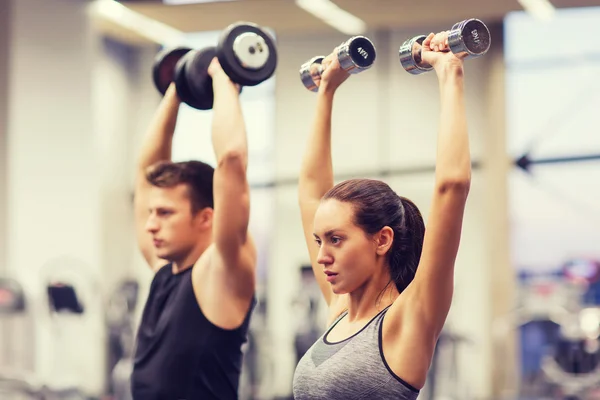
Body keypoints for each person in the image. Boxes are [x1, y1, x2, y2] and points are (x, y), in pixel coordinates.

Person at [292, 30, 472, 399]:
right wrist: (326, 90)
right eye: (319, 240)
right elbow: (311, 191)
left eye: (336, 240)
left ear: (382, 239)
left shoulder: (408, 319)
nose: (322, 256)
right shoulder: (340, 310)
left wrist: (449, 70)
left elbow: (451, 186)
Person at [130, 58, 257, 400]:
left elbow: (231, 160)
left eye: (166, 213)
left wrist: (223, 78)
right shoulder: (163, 272)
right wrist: (179, 86)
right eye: (152, 212)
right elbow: (147, 171)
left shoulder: (222, 271)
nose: (150, 224)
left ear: (206, 217)